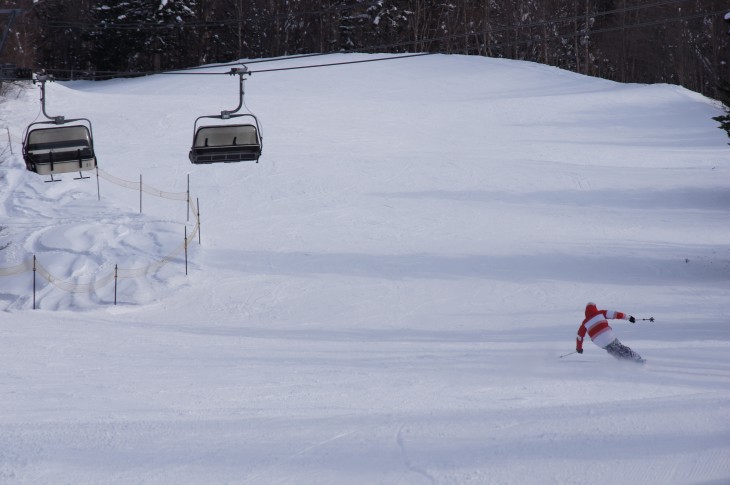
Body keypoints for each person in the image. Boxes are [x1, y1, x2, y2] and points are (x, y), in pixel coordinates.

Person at [576, 302, 645, 364]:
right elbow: (616, 314)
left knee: (613, 350)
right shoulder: (600, 313)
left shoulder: (584, 323)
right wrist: (629, 317)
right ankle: (637, 359)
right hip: (609, 336)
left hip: (600, 342)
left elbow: (579, 337)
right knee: (620, 347)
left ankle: (625, 362)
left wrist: (579, 348)